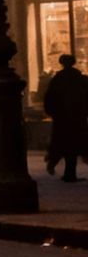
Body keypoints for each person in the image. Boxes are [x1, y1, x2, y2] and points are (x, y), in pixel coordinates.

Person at [44, 54, 88, 182]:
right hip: (76, 117)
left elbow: (50, 97)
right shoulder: (80, 78)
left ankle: (55, 164)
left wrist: (51, 112)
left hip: (62, 118)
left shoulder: (58, 79)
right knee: (74, 146)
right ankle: (69, 174)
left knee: (61, 143)